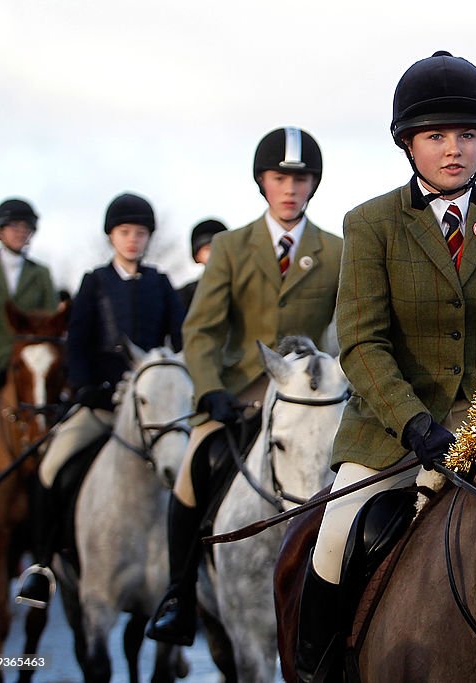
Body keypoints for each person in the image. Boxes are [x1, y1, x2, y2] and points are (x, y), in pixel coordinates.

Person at [297, 51, 476, 679]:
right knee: (332, 543)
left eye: (468, 135)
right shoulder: (371, 224)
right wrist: (416, 425)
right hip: (392, 435)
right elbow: (361, 344)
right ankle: (317, 670)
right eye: (436, 136)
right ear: (408, 144)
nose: (453, 149)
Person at [147, 127, 342, 646]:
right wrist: (208, 386)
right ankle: (180, 593)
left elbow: (343, 331)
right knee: (196, 467)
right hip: (238, 395)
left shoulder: (337, 249)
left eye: (300, 178)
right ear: (263, 181)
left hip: (307, 398)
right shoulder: (232, 247)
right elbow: (201, 329)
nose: (290, 188)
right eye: (280, 177)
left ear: (312, 185)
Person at [17, 192, 184, 608]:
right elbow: (77, 344)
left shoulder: (161, 285)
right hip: (101, 405)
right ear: (112, 236)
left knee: (190, 469)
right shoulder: (94, 282)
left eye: (140, 233)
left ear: (148, 238)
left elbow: (180, 342)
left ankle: (189, 574)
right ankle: (41, 567)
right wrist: (85, 384)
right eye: (125, 232)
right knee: (51, 468)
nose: (133, 240)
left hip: (151, 411)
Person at [0, 198, 58, 451]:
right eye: (14, 226)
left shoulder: (41, 274)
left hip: (30, 369)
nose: (20, 232)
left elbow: (51, 326)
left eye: (25, 227)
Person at [176, 218, 227, 314]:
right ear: (197, 256)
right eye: (207, 249)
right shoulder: (185, 296)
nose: (214, 253)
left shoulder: (245, 288)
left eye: (218, 248)